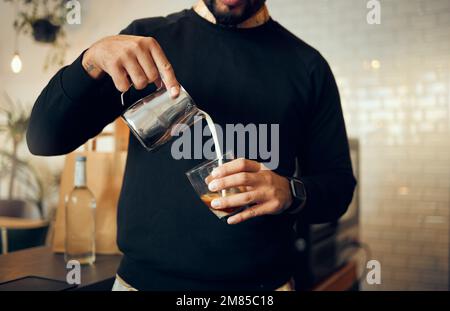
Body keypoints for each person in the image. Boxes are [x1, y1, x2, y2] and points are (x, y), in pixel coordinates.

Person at [27, 0, 356, 291]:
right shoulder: (147, 42)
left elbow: (338, 188)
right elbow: (44, 139)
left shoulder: (307, 66)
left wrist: (290, 192)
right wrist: (91, 60)